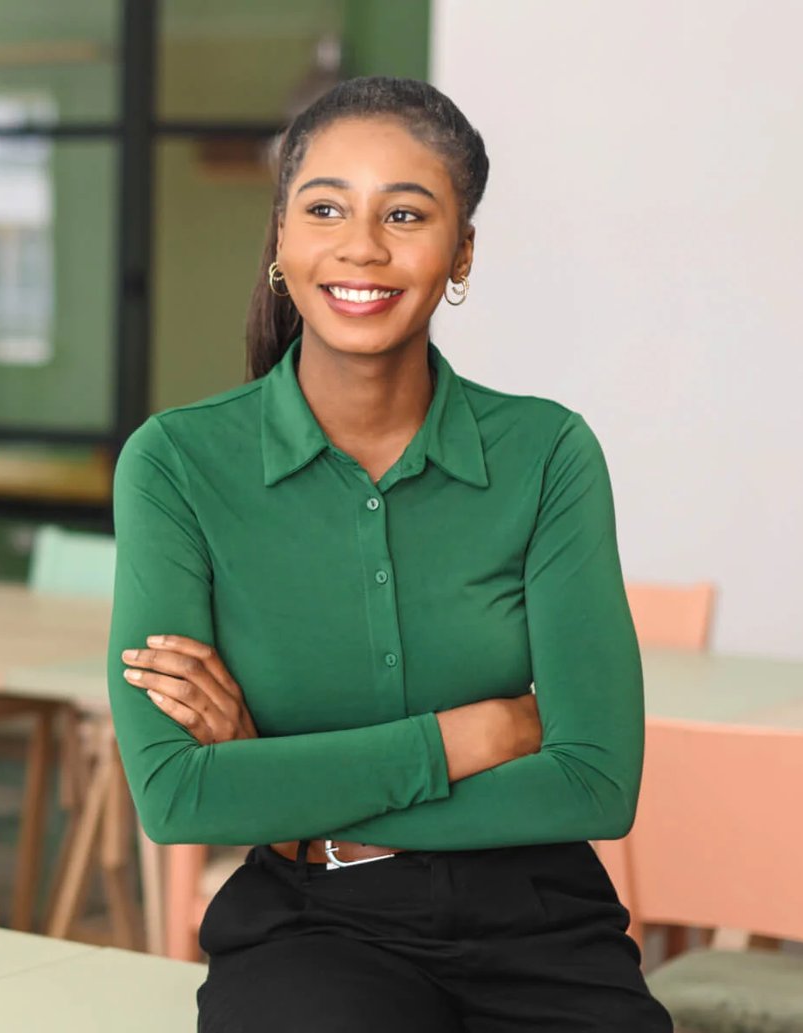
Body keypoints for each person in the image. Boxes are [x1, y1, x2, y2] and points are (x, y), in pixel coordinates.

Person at [108, 76, 671, 1031]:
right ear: (281, 241)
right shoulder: (176, 463)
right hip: (309, 928)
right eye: (325, 207)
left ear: (461, 253)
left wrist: (279, 791)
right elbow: (175, 794)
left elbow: (596, 781)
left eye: (405, 214)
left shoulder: (547, 454)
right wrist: (469, 737)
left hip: (539, 922)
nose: (361, 246)